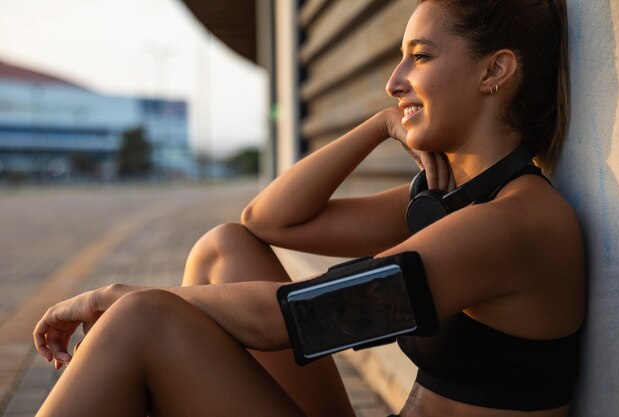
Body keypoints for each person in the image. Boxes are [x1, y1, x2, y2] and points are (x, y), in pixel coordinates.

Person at [33, 0, 585, 416]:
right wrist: (378, 126)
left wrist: (120, 296)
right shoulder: (455, 200)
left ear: (495, 72)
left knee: (142, 318)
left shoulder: (512, 226)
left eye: (420, 57)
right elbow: (267, 222)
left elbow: (295, 319)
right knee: (225, 247)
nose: (394, 82)